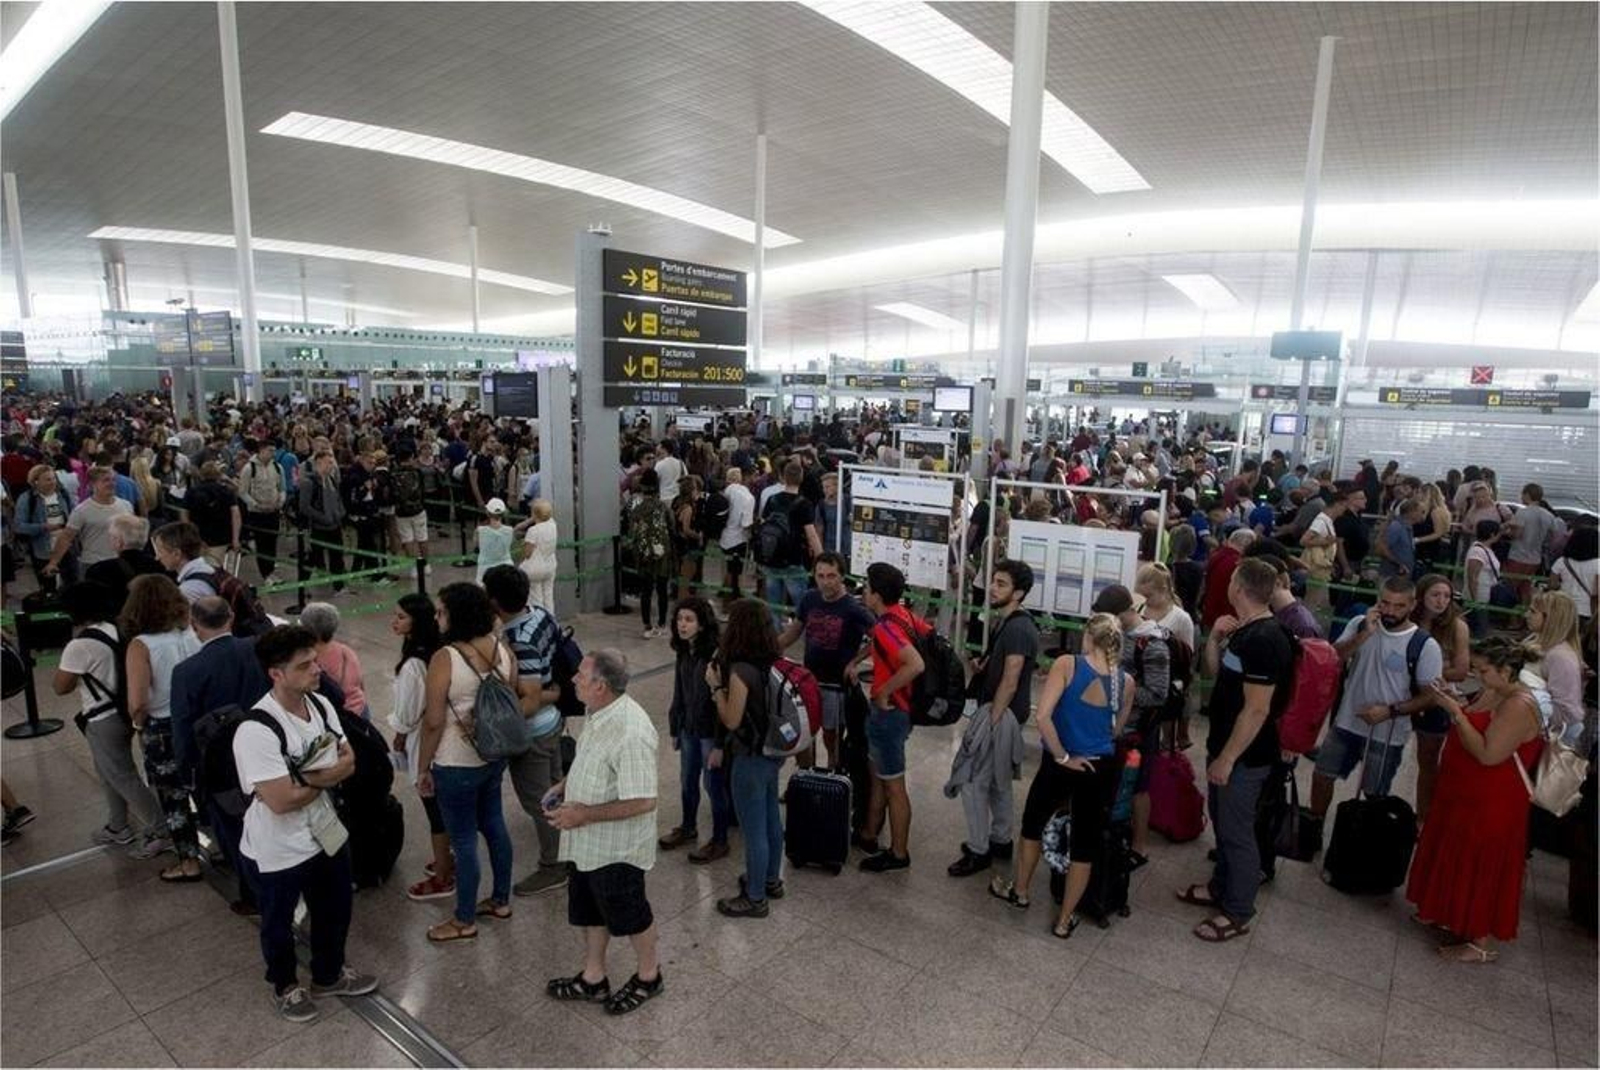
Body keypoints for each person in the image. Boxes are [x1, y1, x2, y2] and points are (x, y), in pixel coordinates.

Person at [235, 624, 377, 1022]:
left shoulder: (320, 705)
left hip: (324, 831)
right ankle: (285, 985)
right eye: (304, 665)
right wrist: (323, 778)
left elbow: (349, 760)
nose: (317, 670)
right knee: (278, 923)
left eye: (315, 661)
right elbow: (280, 802)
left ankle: (328, 974)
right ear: (276, 674)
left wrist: (304, 779)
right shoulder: (256, 730)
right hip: (278, 848)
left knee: (335, 907)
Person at [987, 613, 1131, 937]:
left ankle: (1020, 892)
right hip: (1099, 768)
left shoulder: (1067, 665)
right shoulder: (1127, 683)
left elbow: (1044, 717)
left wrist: (1064, 756)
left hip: (1060, 761)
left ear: (1088, 637)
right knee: (1085, 844)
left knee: (1034, 823)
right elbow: (1116, 730)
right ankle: (1065, 920)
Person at [1406, 637, 1544, 964]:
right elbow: (1474, 716)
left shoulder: (1519, 705)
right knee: (1453, 848)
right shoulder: (1496, 691)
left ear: (1507, 671)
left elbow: (1488, 753)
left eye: (1484, 670)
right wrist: (1453, 700)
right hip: (1463, 792)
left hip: (1492, 798)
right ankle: (1445, 910)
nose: (1479, 676)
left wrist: (1455, 713)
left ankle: (1479, 939)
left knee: (1480, 860)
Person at [1176, 558, 1292, 942]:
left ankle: (1238, 910)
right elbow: (1218, 677)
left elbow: (1257, 709)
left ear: (1239, 588)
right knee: (1224, 825)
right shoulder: (1245, 631)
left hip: (1245, 756)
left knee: (1238, 832)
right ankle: (1220, 886)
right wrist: (1214, 640)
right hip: (1224, 745)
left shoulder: (1265, 640)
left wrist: (1228, 758)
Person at [544, 649, 665, 1015]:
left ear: (600, 685)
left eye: (581, 675)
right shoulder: (598, 712)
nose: (573, 679)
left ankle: (650, 975)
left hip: (617, 850)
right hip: (587, 846)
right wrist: (565, 785)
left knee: (630, 915)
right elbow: (589, 759)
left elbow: (644, 800)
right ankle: (594, 977)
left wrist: (583, 815)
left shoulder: (631, 731)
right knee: (589, 910)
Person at [415, 583, 518, 942]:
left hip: (455, 762)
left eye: (441, 610)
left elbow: (432, 721)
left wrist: (423, 767)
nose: (436, 616)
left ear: (456, 614)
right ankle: (501, 900)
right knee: (494, 823)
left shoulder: (446, 658)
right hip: (493, 755)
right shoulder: (502, 650)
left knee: (463, 840)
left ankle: (463, 919)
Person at [1307, 577, 1444, 831]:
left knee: (1374, 791)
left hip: (1387, 733)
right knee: (1322, 775)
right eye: (1385, 603)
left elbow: (1431, 696)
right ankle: (1313, 826)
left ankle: (1364, 841)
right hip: (1347, 721)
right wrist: (1364, 635)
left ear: (1412, 605)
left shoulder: (1425, 645)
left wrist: (1390, 711)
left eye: (1399, 606)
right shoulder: (1360, 624)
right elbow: (1334, 658)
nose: (1390, 611)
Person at [169, 595, 273, 913]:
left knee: (233, 829)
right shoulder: (258, 648)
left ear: (194, 625)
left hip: (220, 764)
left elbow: (183, 727)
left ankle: (254, 894)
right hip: (267, 747)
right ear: (230, 618)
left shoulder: (187, 671)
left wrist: (187, 772)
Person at [52, 580, 166, 856]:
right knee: (108, 772)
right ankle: (118, 825)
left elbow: (60, 686)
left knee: (122, 775)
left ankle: (161, 830)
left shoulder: (79, 645)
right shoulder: (118, 630)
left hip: (102, 718)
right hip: (126, 709)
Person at [482, 565, 570, 898]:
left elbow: (529, 702)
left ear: (494, 601)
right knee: (556, 789)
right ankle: (568, 849)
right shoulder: (540, 614)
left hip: (533, 732)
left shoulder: (520, 641)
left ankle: (554, 866)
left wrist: (493, 723)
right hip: (553, 722)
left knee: (541, 802)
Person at [946, 560, 1037, 878]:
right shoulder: (1011, 623)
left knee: (973, 782)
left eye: (1001, 584)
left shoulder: (1019, 628)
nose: (993, 588)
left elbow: (1011, 679)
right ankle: (1000, 839)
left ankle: (979, 849)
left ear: (1019, 592)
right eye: (994, 582)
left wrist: (991, 721)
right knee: (998, 782)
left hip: (1001, 715)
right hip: (1004, 713)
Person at [706, 599, 786, 916]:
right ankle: (770, 880)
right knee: (770, 820)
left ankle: (754, 898)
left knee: (753, 830)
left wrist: (715, 689)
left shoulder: (741, 671)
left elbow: (731, 719)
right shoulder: (772, 661)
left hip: (749, 757)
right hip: (772, 752)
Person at [121, 573, 203, 879]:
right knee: (204, 786)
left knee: (173, 798)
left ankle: (189, 861)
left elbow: (138, 701)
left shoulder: (141, 645)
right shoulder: (191, 633)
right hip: (197, 721)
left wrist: (138, 724)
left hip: (163, 728)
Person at [851, 562, 927, 872]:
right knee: (879, 775)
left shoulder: (886, 626)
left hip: (891, 713)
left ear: (877, 594)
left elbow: (915, 663)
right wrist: (857, 659)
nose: (863, 592)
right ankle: (869, 832)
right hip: (902, 711)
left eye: (867, 587)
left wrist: (883, 691)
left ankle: (898, 852)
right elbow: (890, 643)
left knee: (894, 784)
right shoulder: (901, 614)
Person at [777, 552, 877, 771]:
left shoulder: (853, 608)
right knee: (804, 732)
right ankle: (806, 776)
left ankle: (833, 774)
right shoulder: (809, 599)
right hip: (809, 681)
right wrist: (770, 649)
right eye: (820, 576)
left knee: (831, 735)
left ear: (842, 576)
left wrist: (855, 662)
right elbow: (794, 632)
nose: (825, 582)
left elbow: (879, 637)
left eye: (831, 576)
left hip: (836, 685)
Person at [1095, 583, 1169, 867]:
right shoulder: (1120, 634)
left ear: (1126, 612)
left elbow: (1157, 694)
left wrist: (1119, 688)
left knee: (1139, 788)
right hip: (1113, 726)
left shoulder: (1153, 645)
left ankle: (1139, 846)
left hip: (1138, 732)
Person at [388, 594, 455, 902]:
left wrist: (399, 733)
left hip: (424, 740)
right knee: (443, 806)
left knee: (434, 809)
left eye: (401, 616)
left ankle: (443, 874)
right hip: (447, 738)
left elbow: (407, 712)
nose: (395, 620)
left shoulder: (414, 663)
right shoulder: (440, 651)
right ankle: (447, 859)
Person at [658, 596, 730, 864]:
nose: (682, 625)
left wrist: (720, 745)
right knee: (687, 781)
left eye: (689, 620)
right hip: (688, 728)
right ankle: (688, 827)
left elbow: (723, 699)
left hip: (710, 733)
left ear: (701, 625)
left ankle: (720, 840)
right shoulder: (683, 651)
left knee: (714, 786)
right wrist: (675, 727)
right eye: (679, 619)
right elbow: (679, 691)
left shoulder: (715, 654)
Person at [1410, 574, 1473, 822]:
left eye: (1446, 596)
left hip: (1436, 699)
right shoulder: (1410, 620)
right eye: (1435, 595)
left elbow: (1461, 670)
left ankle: (1423, 815)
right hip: (1404, 692)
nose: (1441, 601)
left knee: (1428, 759)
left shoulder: (1457, 626)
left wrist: (1423, 670)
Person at [760, 460, 822, 627]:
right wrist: (821, 557)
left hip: (771, 555)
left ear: (783, 477)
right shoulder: (804, 504)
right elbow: (812, 535)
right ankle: (806, 632)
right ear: (801, 478)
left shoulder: (772, 500)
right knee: (801, 602)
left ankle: (776, 635)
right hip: (793, 557)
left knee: (774, 602)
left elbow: (764, 523)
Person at [44, 466, 132, 576]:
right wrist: (53, 562)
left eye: (113, 480)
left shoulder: (126, 505)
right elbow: (66, 537)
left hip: (121, 563)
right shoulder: (82, 510)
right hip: (93, 564)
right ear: (92, 485)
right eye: (106, 480)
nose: (111, 483)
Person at [1524, 592, 1586, 746]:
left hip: (1550, 737)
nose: (1526, 615)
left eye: (1533, 611)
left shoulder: (1560, 657)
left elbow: (1566, 711)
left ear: (1551, 617)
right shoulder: (1535, 641)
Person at [625, 469, 675, 638]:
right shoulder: (663, 507)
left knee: (646, 590)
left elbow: (631, 533)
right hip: (662, 551)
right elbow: (671, 528)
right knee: (662, 589)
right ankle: (661, 624)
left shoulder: (635, 508)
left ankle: (647, 626)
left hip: (644, 553)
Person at [84, 513, 166, 616]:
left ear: (119, 542)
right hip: (154, 622)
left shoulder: (99, 570)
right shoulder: (162, 566)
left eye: (111, 536)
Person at [299, 603, 368, 721]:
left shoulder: (308, 659)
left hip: (336, 716)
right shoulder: (346, 650)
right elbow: (360, 683)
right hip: (360, 710)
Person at [13, 464, 76, 587]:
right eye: (47, 479)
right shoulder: (27, 499)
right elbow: (19, 526)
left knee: (72, 584)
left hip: (66, 547)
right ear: (36, 482)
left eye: (53, 478)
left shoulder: (63, 494)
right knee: (48, 586)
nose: (52, 482)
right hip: (42, 550)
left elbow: (73, 514)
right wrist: (43, 527)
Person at [1503, 484, 1565, 603]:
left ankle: (1513, 619)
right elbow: (1553, 535)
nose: (1521, 497)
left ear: (1527, 495)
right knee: (1526, 588)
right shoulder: (1548, 515)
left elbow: (1517, 534)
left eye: (1522, 494)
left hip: (1518, 556)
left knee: (1511, 588)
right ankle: (1525, 615)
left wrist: (1507, 531)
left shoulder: (1522, 512)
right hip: (1535, 559)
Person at [298, 451, 348, 593]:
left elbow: (337, 499)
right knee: (313, 557)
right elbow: (304, 507)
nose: (331, 465)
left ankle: (339, 586)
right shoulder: (309, 482)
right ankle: (302, 587)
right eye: (328, 462)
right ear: (319, 463)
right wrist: (322, 517)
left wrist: (340, 514)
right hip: (318, 527)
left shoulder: (331, 480)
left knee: (337, 556)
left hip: (335, 525)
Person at [238, 439, 286, 580]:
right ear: (261, 450)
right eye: (270, 450)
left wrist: (280, 502)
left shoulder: (278, 467)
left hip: (274, 512)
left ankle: (271, 570)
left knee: (272, 542)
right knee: (262, 544)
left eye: (274, 451)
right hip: (258, 513)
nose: (273, 453)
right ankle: (266, 574)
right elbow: (243, 492)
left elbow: (282, 488)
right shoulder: (249, 469)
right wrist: (256, 504)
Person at [185, 461, 243, 558]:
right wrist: (235, 539)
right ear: (218, 475)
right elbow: (236, 515)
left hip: (197, 536)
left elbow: (184, 513)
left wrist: (188, 534)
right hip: (220, 537)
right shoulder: (226, 492)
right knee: (215, 566)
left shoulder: (192, 491)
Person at [151, 521, 217, 604]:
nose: (157, 557)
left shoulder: (188, 591)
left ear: (177, 554)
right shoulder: (208, 570)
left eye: (160, 551)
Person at [1201, 528, 1254, 629]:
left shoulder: (1215, 556)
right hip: (1227, 619)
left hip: (1210, 613)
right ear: (1248, 544)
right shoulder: (1237, 564)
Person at [516, 498, 559, 612]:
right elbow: (543, 516)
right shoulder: (553, 524)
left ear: (534, 514)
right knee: (548, 597)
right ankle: (551, 622)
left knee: (536, 599)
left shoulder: (533, 531)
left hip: (534, 569)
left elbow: (527, 553)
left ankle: (538, 622)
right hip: (550, 566)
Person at [719, 467, 755, 600]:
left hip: (724, 536)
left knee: (727, 567)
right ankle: (733, 597)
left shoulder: (726, 492)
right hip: (739, 538)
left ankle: (724, 592)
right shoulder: (748, 497)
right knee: (737, 570)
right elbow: (746, 524)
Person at [1463, 519, 1504, 637]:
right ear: (1492, 534)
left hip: (1484, 594)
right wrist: (1475, 600)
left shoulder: (1485, 549)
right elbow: (1473, 576)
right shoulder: (1477, 552)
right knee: (1480, 629)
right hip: (1478, 596)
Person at [1550, 525, 1598, 623]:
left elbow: (1552, 585)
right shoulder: (1598, 564)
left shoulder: (1562, 561)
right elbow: (1596, 593)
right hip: (1588, 611)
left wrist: (1563, 585)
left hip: (1563, 608)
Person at [1377, 498, 1426, 580]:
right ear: (1412, 512)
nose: (1423, 515)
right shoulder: (1397, 527)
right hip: (1391, 576)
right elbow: (1381, 548)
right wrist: (1398, 563)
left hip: (1402, 576)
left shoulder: (1408, 528)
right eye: (1422, 512)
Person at [475, 497, 514, 583]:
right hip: (506, 567)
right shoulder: (510, 530)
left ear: (487, 513)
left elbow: (477, 546)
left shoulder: (480, 531)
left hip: (485, 569)